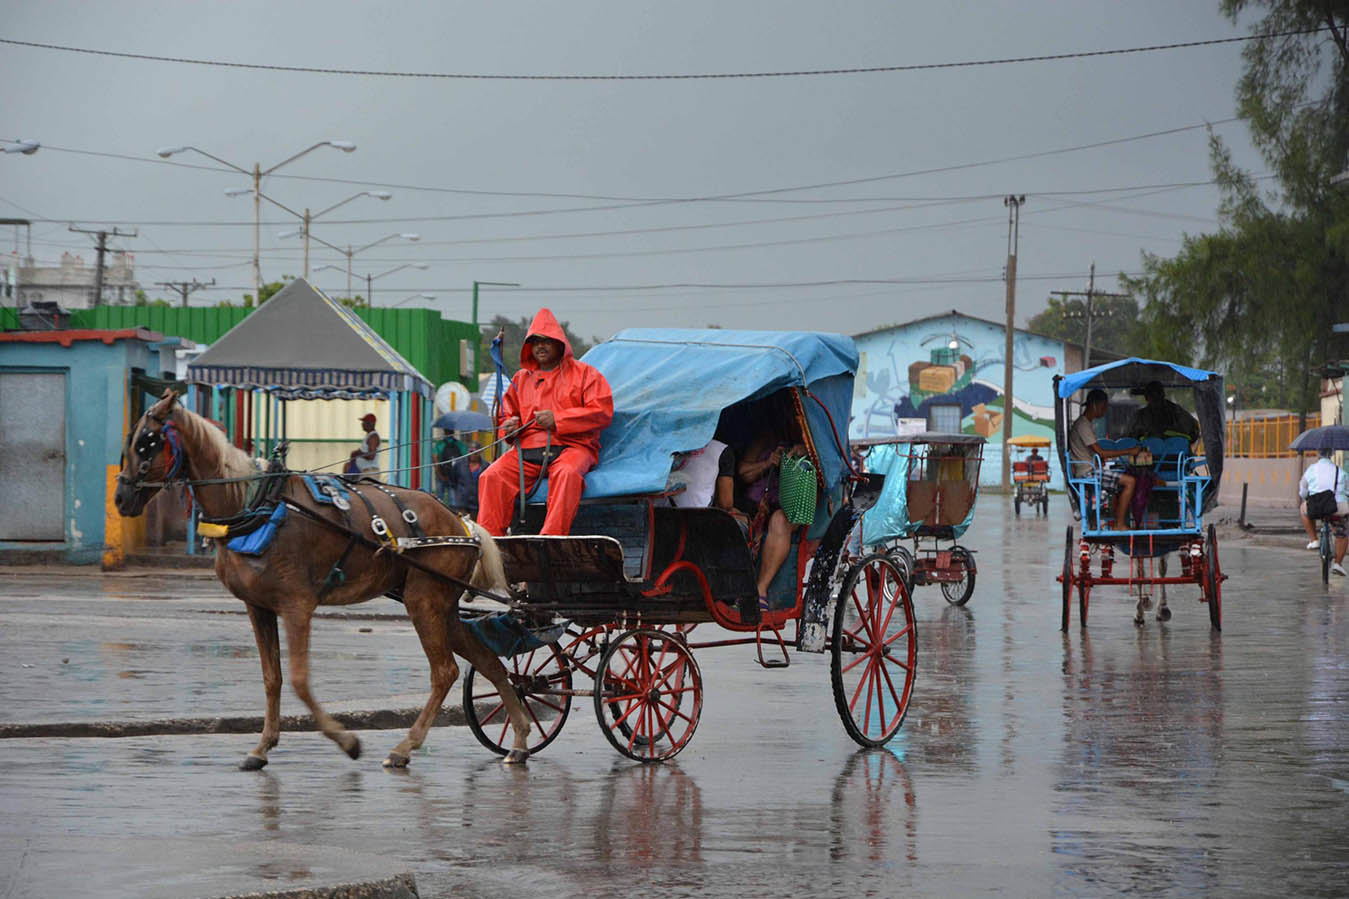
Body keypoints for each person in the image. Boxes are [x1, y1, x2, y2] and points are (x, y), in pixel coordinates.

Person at [476, 308, 614, 536]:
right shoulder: (520, 378)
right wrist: (509, 427)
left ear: (560, 343)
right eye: (535, 341)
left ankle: (551, 538)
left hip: (573, 447)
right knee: (491, 475)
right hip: (528, 451)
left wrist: (558, 419)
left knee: (567, 474)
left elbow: (601, 412)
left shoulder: (585, 374)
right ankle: (489, 543)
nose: (540, 346)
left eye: (547, 341)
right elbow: (506, 416)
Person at [738, 406, 810, 620]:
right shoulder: (764, 440)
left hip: (790, 508)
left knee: (780, 520)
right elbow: (743, 473)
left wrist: (801, 456)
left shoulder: (810, 444)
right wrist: (768, 463)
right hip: (755, 506)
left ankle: (760, 589)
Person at [1068, 388, 1142, 530]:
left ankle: (1115, 520)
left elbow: (1093, 453)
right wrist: (1129, 451)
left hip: (1091, 468)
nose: (1104, 410)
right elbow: (1101, 452)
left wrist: (1099, 460)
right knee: (1130, 482)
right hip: (1087, 472)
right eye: (1103, 407)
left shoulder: (1086, 424)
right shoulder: (1083, 425)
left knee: (1123, 481)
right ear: (1095, 405)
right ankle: (1119, 524)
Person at [1298, 448, 1348, 576]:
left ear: (1318, 454)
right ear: (1331, 455)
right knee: (1342, 532)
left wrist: (1309, 496)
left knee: (1303, 508)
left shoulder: (1311, 470)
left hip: (1316, 507)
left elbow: (1303, 491)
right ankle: (1338, 564)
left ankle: (1314, 539)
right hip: (1337, 507)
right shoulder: (1340, 471)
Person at [1128, 381, 1200, 444]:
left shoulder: (1176, 411)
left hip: (1175, 456)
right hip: (1147, 455)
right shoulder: (1140, 416)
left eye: (1158, 394)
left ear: (1163, 394)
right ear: (1146, 397)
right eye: (1152, 395)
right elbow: (1129, 437)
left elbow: (1194, 431)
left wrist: (1176, 439)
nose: (1156, 398)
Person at [349, 413, 381, 479]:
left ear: (370, 423)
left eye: (364, 422)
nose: (362, 424)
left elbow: (371, 456)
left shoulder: (373, 437)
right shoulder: (369, 435)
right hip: (364, 472)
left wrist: (357, 453)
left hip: (369, 473)